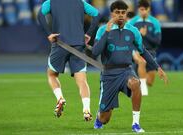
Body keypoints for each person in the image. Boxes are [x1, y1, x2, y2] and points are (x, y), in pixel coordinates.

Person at [92, 0, 167, 132]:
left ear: (126, 14)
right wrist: (107, 33)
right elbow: (95, 52)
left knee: (135, 83)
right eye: (117, 13)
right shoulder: (103, 29)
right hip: (109, 74)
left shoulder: (133, 31)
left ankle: (135, 124)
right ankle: (99, 117)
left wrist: (157, 67)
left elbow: (143, 51)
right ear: (111, 14)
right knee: (105, 118)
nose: (120, 15)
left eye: (123, 13)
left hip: (126, 70)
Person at [37, 0, 101, 120]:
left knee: (51, 75)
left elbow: (39, 15)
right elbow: (97, 15)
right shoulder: (81, 3)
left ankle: (60, 98)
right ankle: (86, 109)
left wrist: (49, 33)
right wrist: (88, 34)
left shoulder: (51, 2)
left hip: (60, 43)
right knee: (82, 81)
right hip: (78, 44)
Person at [129, 0, 163, 87]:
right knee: (142, 62)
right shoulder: (132, 22)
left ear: (149, 9)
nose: (143, 11)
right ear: (138, 10)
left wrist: (145, 35)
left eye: (145, 9)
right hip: (136, 50)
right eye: (141, 9)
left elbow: (157, 41)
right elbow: (127, 38)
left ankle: (139, 81)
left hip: (150, 51)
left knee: (150, 82)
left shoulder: (155, 22)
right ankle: (143, 89)